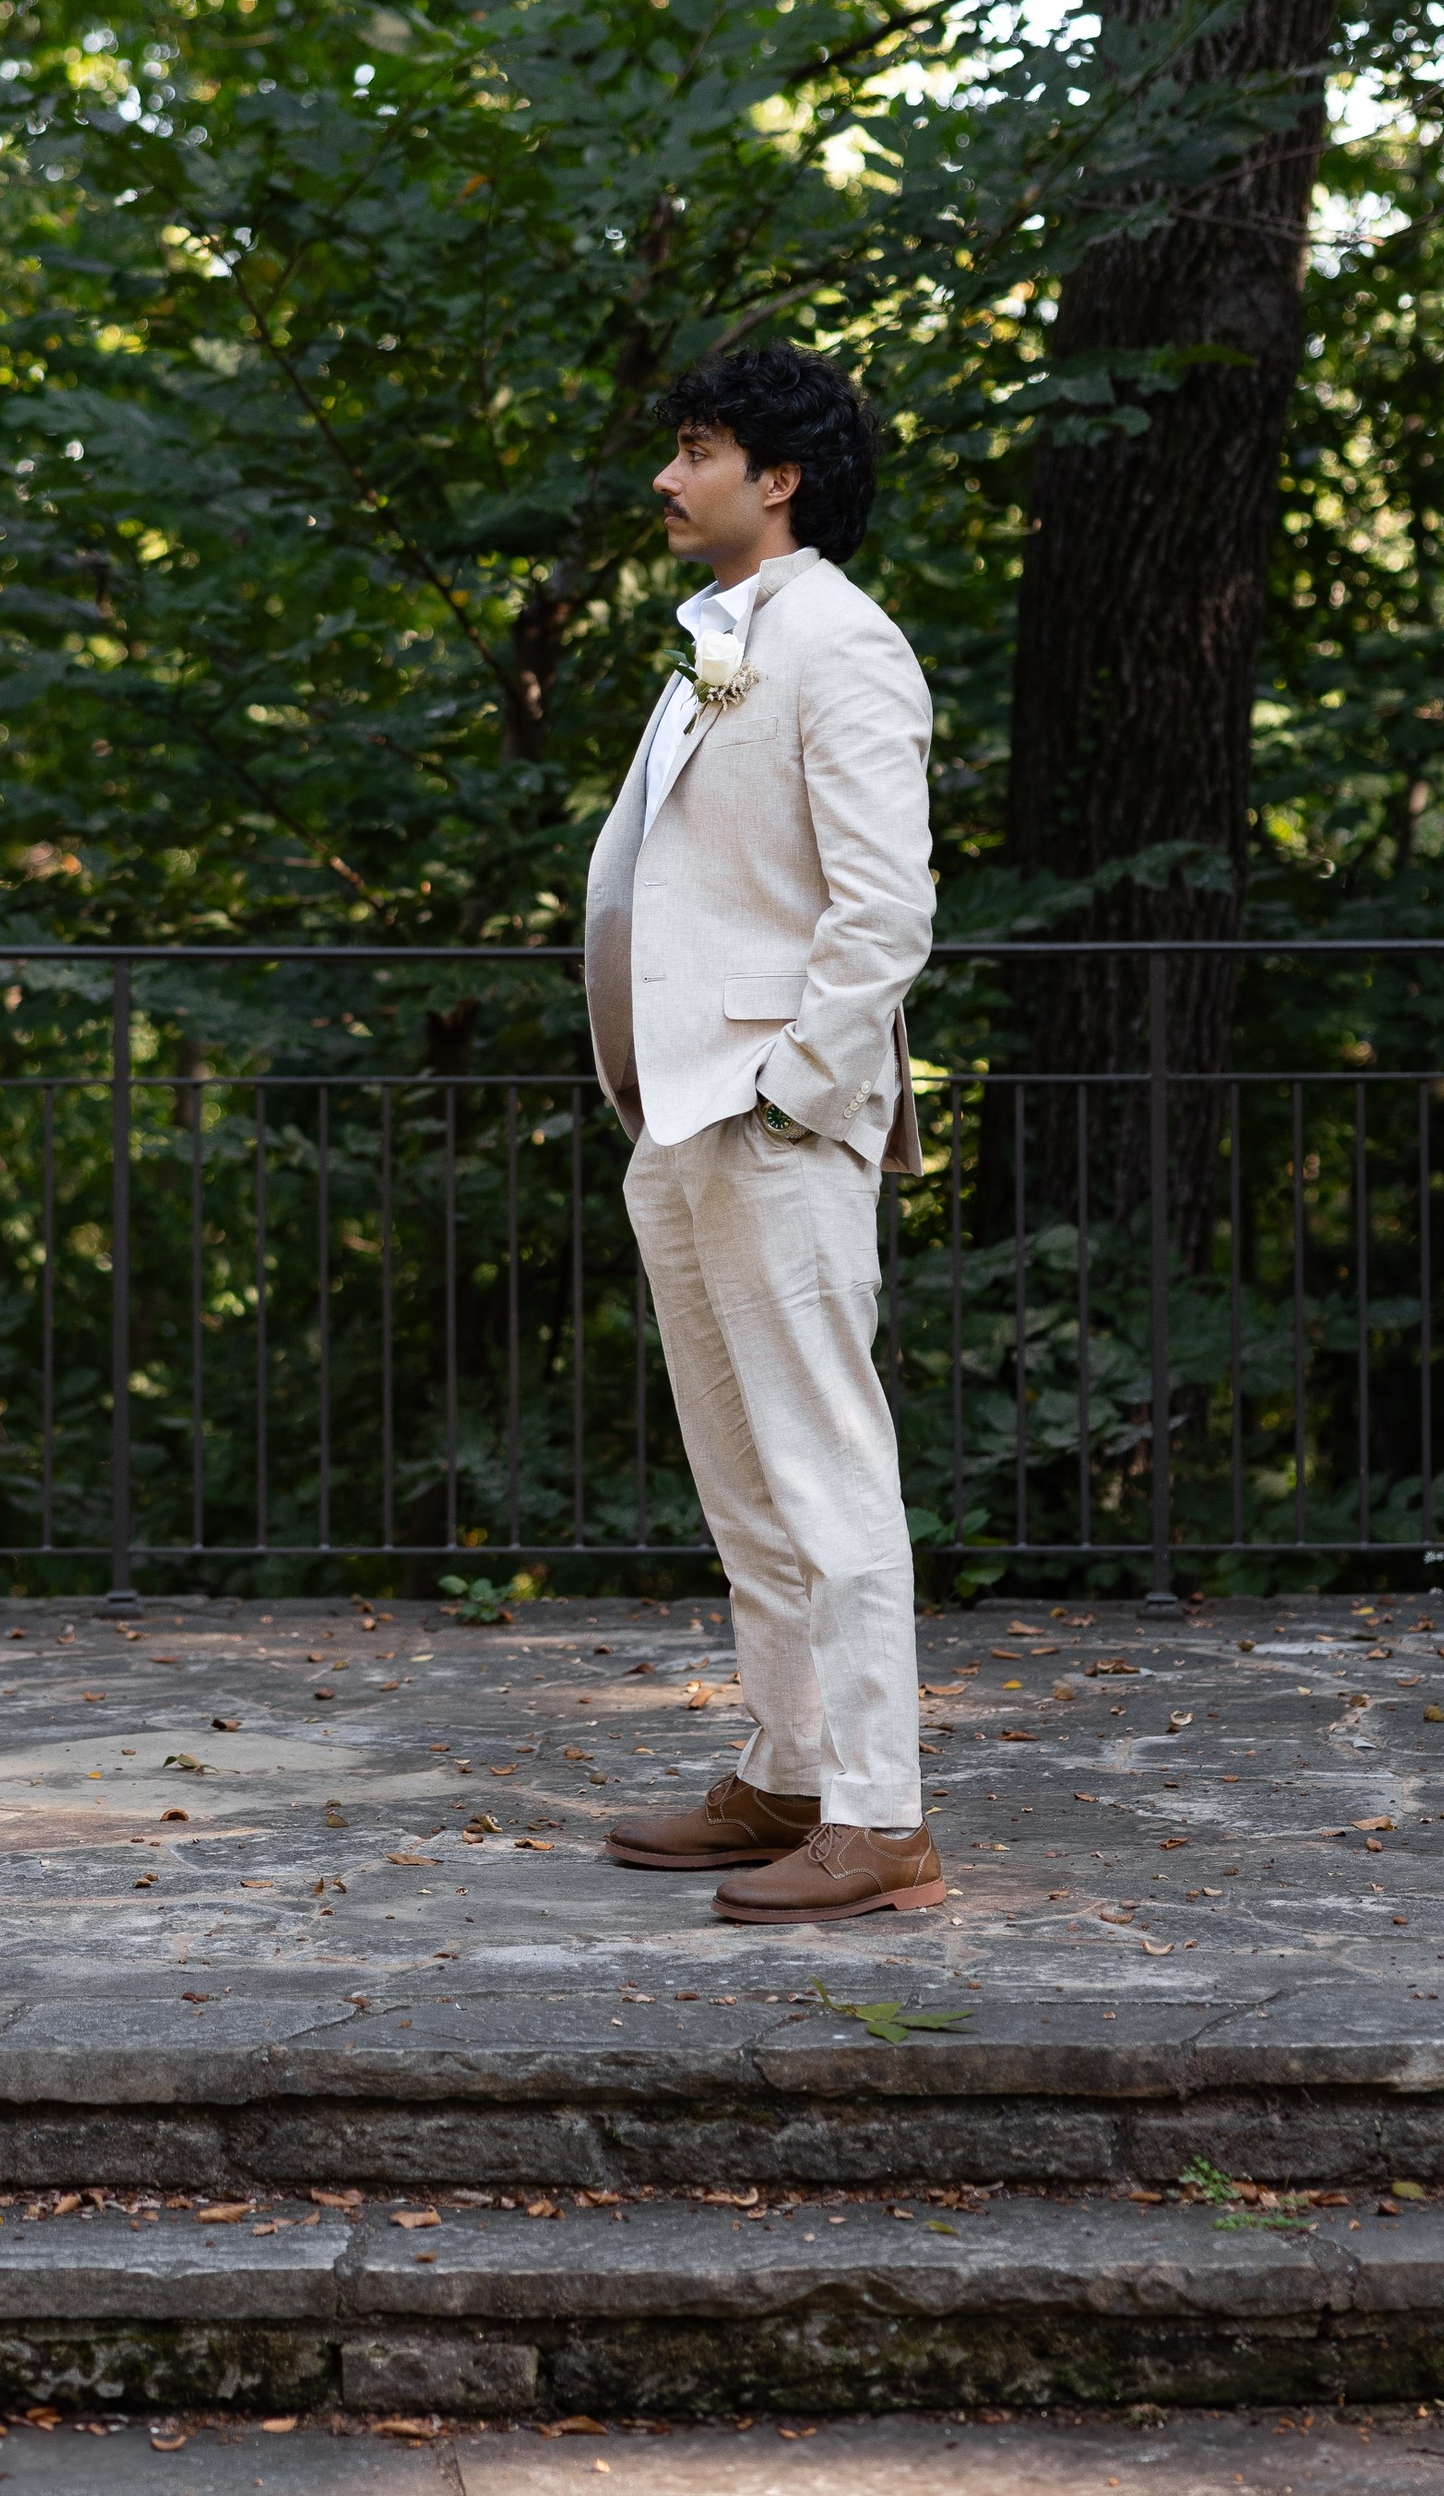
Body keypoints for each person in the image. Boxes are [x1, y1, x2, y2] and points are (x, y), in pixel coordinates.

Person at [585, 341, 939, 1924]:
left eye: (697, 447)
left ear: (777, 475)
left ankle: (880, 1813)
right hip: (679, 1118)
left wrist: (796, 1089)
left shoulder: (843, 647)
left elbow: (885, 911)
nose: (670, 476)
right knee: (741, 1476)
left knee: (827, 1465)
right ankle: (790, 1769)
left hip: (770, 1116)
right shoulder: (725, 641)